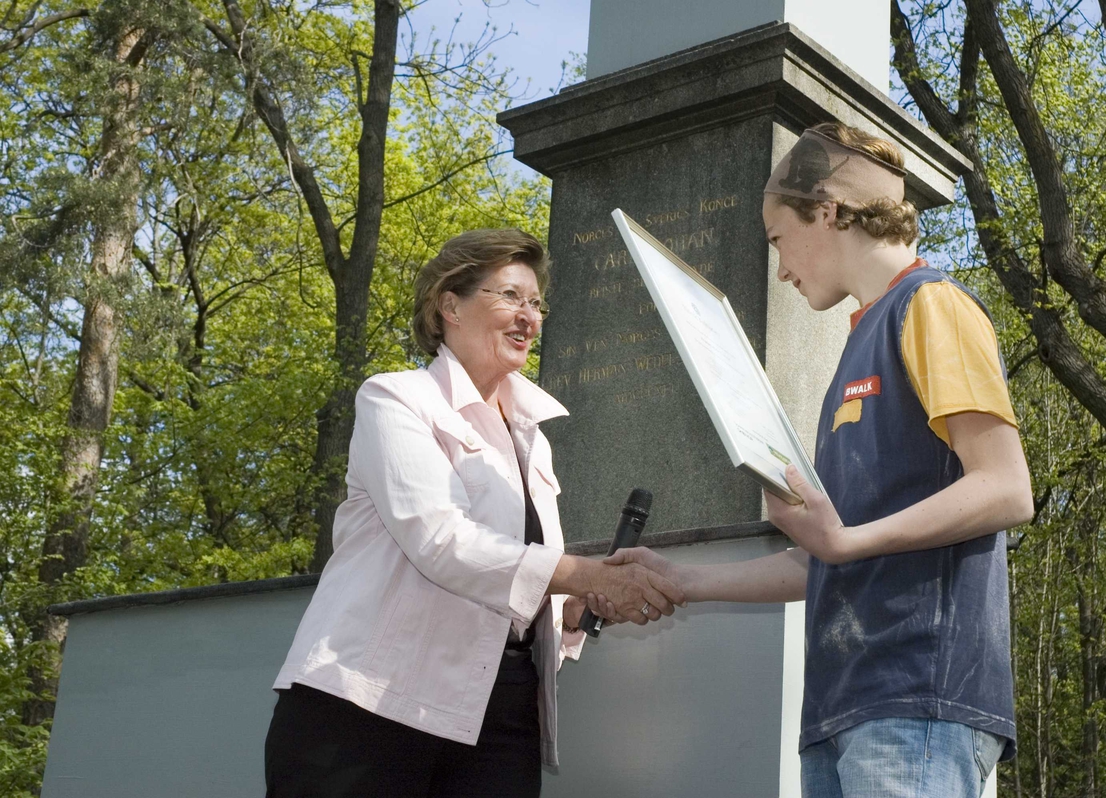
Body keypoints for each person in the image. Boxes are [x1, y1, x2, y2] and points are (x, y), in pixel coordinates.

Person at [610, 123, 1034, 798]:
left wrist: (845, 539)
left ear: (828, 211)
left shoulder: (930, 306)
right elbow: (826, 557)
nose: (779, 267)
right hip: (847, 706)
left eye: (779, 239)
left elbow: (1008, 488)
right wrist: (683, 579)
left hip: (916, 697)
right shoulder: (860, 340)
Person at [264, 228, 684, 797]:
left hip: (501, 712)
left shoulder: (534, 436)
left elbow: (519, 576)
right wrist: (579, 572)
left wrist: (571, 608)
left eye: (536, 303)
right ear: (449, 305)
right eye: (510, 296)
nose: (528, 317)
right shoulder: (395, 398)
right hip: (368, 702)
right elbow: (441, 540)